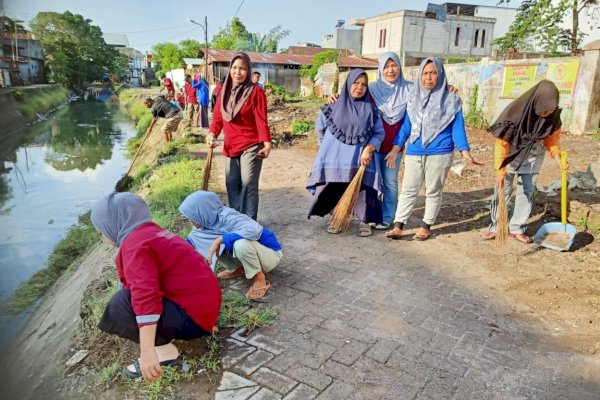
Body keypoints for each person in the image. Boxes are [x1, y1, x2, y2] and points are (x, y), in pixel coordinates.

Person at [90, 192, 221, 381]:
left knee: (121, 303)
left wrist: (147, 351)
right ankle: (188, 328)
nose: (103, 237)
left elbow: (145, 295)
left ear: (113, 225)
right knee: (130, 294)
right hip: (204, 309)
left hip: (195, 319)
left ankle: (164, 352)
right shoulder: (154, 233)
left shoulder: (135, 246)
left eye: (101, 231)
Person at [385, 58, 482, 241]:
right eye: (425, 73)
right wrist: (395, 149)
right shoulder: (413, 98)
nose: (429, 77)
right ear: (420, 75)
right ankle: (399, 225)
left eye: (433, 73)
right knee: (408, 189)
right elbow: (406, 126)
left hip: (440, 152)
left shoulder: (451, 100)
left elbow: (457, 127)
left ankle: (426, 226)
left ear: (440, 74)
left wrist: (465, 151)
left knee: (433, 190)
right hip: (414, 151)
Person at [482, 80, 563, 243]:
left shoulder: (553, 117)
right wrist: (500, 171)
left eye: (551, 109)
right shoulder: (515, 114)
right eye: (544, 109)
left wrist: (557, 156)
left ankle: (517, 227)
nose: (547, 113)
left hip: (533, 157)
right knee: (502, 191)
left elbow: (552, 140)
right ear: (536, 102)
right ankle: (496, 226)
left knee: (526, 192)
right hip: (510, 156)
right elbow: (501, 144)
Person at [307, 68, 385, 237]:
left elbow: (379, 133)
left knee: (364, 188)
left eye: (364, 84)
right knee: (336, 184)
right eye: (356, 83)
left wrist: (369, 148)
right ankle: (337, 216)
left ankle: (365, 220)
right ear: (348, 83)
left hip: (361, 158)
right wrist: (328, 148)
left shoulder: (371, 111)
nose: (359, 87)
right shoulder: (331, 106)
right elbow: (320, 128)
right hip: (336, 159)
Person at [179, 190, 283, 299]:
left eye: (192, 217)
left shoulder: (228, 217)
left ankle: (260, 278)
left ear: (203, 212)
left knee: (240, 244)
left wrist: (221, 239)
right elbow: (191, 243)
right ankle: (240, 268)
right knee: (217, 246)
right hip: (253, 254)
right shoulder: (206, 222)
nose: (191, 221)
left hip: (270, 255)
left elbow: (254, 230)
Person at [208, 52, 272, 221]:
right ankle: (237, 220)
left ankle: (249, 224)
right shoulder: (223, 92)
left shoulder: (256, 92)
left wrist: (266, 143)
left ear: (248, 70)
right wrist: (212, 133)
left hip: (252, 144)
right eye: (235, 68)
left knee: (248, 183)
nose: (238, 72)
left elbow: (261, 119)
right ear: (230, 70)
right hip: (230, 145)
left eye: (243, 68)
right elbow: (218, 117)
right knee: (232, 184)